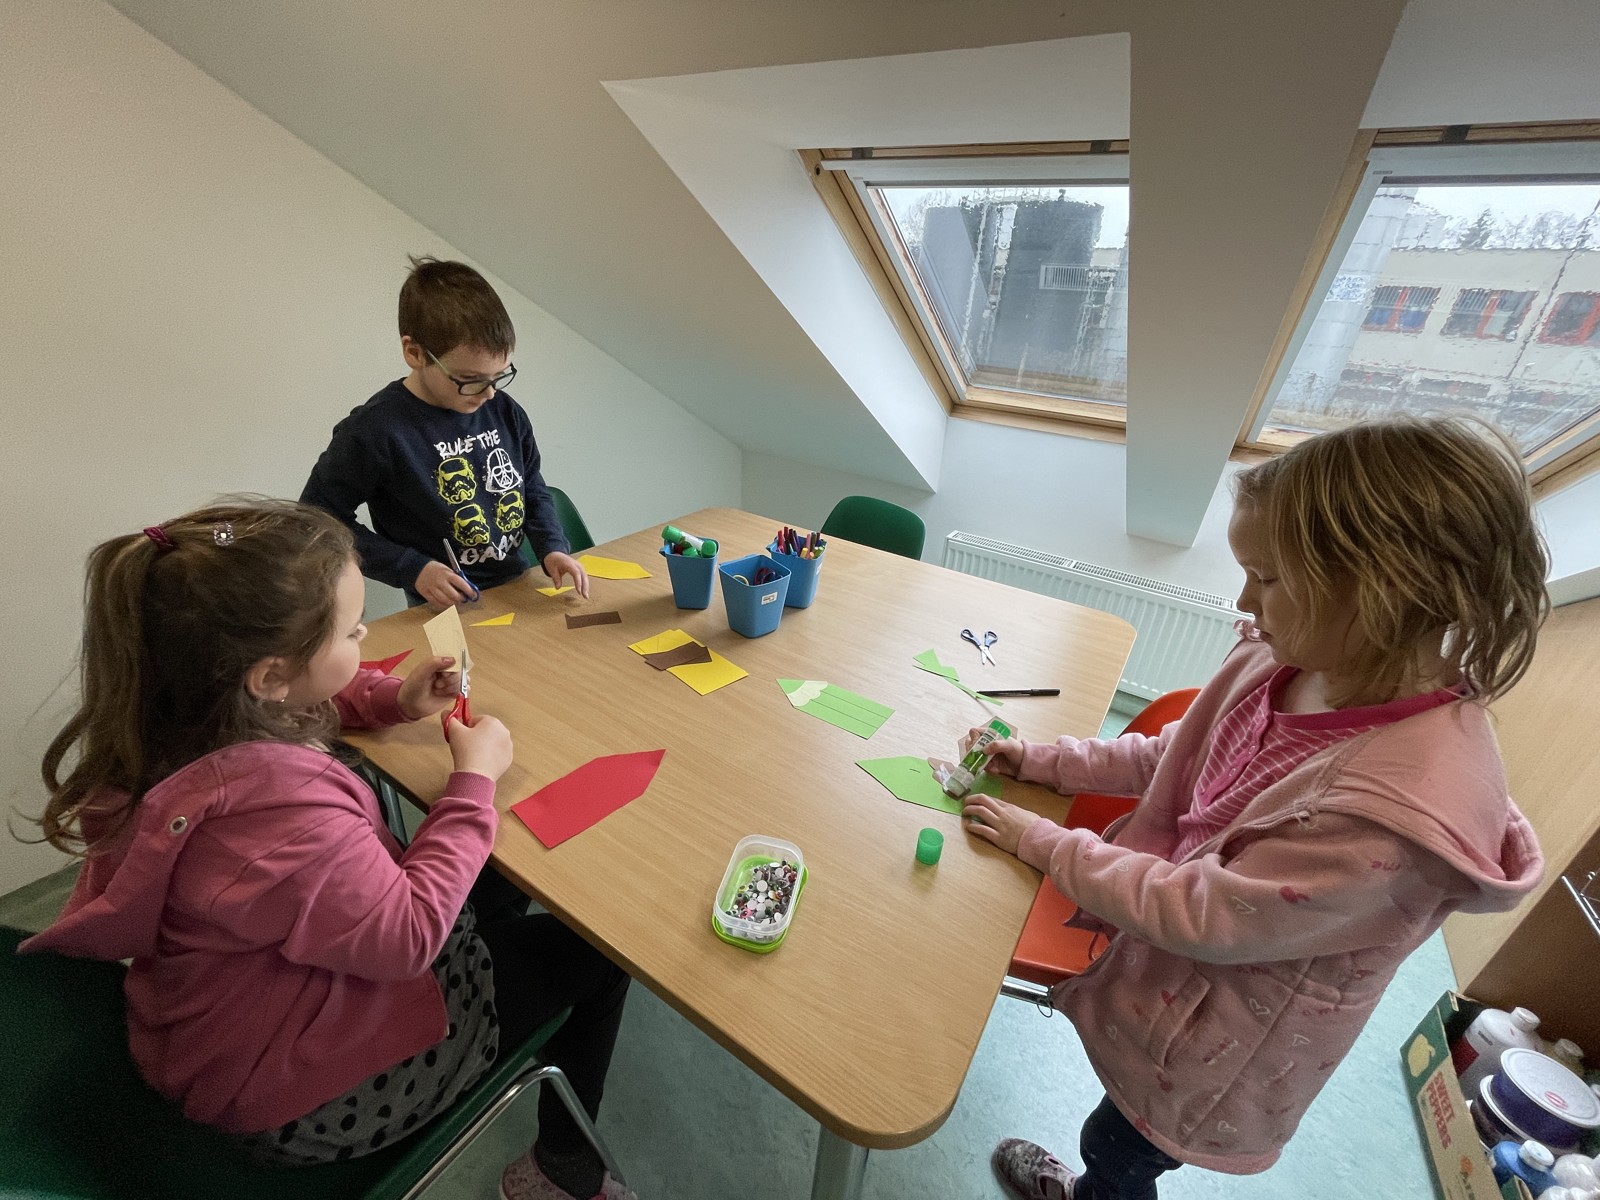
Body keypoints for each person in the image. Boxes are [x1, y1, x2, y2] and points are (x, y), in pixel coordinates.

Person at [960, 416, 1548, 1200]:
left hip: (1214, 1051)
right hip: (1167, 981)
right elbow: (1177, 757)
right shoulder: (1291, 660)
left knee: (1120, 1151)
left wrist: (1045, 842)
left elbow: (1199, 913)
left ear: (1386, 590)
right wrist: (1048, 761)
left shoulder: (1390, 819)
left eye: (1267, 577)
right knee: (1118, 1134)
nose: (1243, 598)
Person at [22, 500, 633, 1200]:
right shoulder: (279, 814)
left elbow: (300, 705)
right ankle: (563, 1173)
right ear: (270, 675)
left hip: (228, 1018)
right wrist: (473, 783)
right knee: (596, 952)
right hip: (300, 1091)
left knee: (496, 872)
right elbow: (407, 938)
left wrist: (395, 699)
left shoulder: (181, 717)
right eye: (351, 630)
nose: (366, 633)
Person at [301, 255, 589, 608]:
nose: (489, 393)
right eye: (469, 379)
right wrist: (412, 568)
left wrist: (552, 547)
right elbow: (316, 519)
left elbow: (530, 485)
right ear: (415, 353)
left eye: (499, 376)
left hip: (518, 586)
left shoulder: (503, 410)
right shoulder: (376, 430)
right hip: (441, 607)